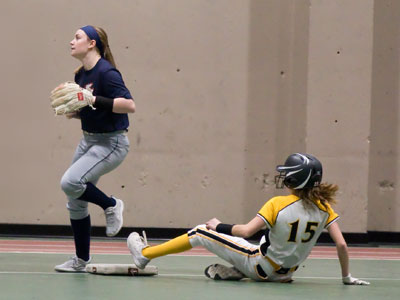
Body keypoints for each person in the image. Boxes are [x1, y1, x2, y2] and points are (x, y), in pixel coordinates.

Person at [127, 153, 369, 285]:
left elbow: (244, 231)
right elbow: (342, 245)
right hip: (286, 275)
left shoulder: (278, 204)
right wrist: (346, 278)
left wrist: (218, 225)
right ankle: (238, 272)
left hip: (260, 266)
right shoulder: (324, 208)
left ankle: (145, 255)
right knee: (253, 249)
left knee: (201, 232)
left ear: (294, 180)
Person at [54, 25, 135, 272]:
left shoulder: (107, 73)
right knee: (75, 200)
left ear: (92, 43)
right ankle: (81, 260)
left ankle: (111, 204)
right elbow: (93, 109)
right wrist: (74, 112)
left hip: (111, 143)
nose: (71, 41)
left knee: (70, 182)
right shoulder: (81, 75)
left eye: (77, 37)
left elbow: (129, 105)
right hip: (88, 141)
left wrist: (92, 100)